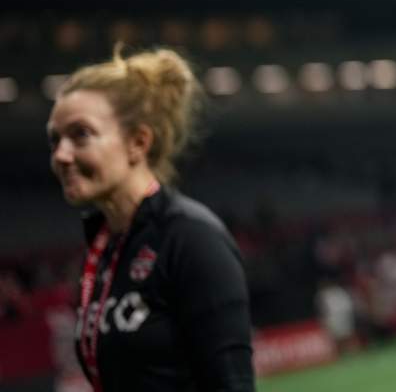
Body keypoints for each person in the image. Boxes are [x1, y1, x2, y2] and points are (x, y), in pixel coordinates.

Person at [46, 46, 254, 391]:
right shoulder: (104, 249)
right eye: (55, 140)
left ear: (138, 143)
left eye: (80, 134)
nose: (61, 155)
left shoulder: (192, 238)